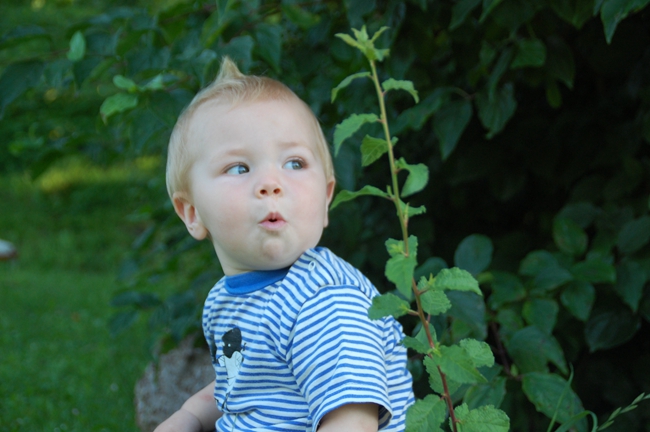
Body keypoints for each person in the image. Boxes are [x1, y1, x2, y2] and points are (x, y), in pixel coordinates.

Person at [155, 57, 414, 432]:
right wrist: (191, 416)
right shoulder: (226, 300)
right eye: (240, 168)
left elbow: (352, 422)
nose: (271, 183)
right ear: (192, 212)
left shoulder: (326, 302)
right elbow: (243, 386)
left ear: (326, 200)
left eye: (294, 163)